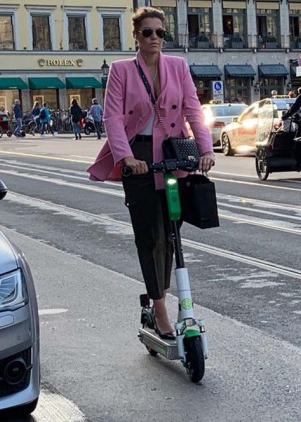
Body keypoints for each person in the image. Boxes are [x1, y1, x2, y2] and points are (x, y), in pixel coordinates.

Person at [86, 6, 215, 340]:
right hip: (140, 156)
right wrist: (126, 157)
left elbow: (192, 110)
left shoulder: (178, 66)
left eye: (160, 32)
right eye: (148, 32)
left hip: (172, 153)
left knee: (171, 233)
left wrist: (206, 149)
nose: (155, 38)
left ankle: (159, 296)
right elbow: (112, 118)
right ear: (137, 36)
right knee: (151, 235)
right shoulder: (121, 70)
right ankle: (160, 310)